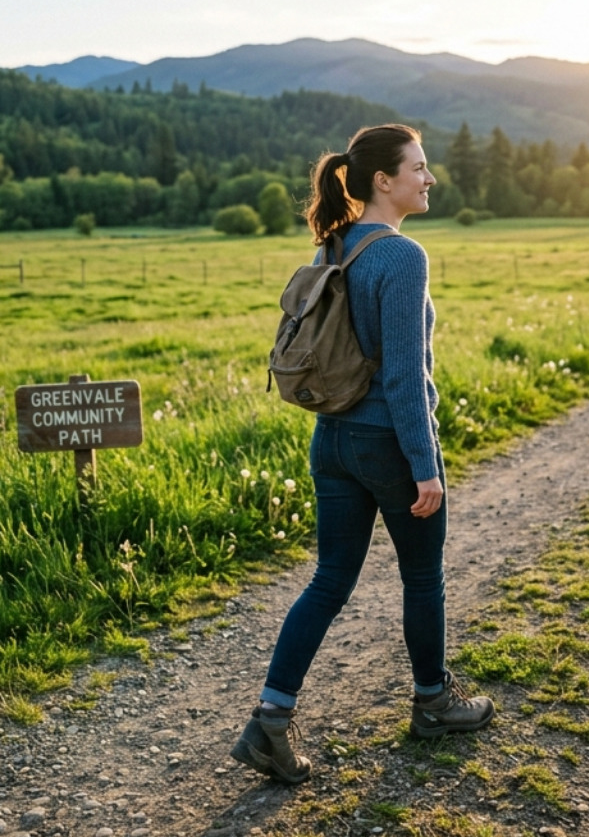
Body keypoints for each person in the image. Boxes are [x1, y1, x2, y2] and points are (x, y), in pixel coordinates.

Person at [230, 124, 494, 784]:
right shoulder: (402, 257)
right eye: (419, 167)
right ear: (384, 180)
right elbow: (406, 379)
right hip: (386, 443)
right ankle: (433, 703)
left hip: (333, 440)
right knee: (422, 577)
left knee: (329, 581)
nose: (429, 178)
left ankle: (270, 718)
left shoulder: (337, 244)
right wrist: (426, 465)